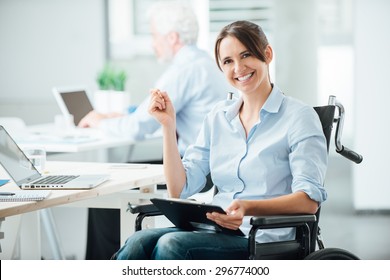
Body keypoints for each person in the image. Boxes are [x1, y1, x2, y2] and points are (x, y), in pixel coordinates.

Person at [113, 20, 328, 260]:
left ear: (267, 54)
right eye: (228, 61)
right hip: (217, 231)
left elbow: (308, 201)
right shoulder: (218, 117)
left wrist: (247, 207)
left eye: (245, 55)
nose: (238, 68)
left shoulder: (299, 117)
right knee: (137, 242)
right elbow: (179, 188)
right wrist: (168, 126)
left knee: (171, 245)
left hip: (264, 238)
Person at [82, 2, 232, 260]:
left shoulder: (183, 70)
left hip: (198, 173)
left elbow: (139, 127)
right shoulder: (204, 63)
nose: (153, 44)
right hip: (209, 168)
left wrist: (99, 121)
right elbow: (146, 113)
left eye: (154, 36)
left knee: (105, 190)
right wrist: (121, 114)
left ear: (172, 37)